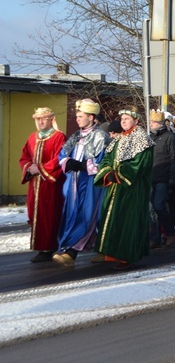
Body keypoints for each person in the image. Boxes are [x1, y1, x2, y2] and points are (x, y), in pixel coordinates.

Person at [94, 107, 154, 270]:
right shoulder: (118, 138)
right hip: (115, 187)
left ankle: (127, 255)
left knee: (129, 220)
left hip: (132, 189)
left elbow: (139, 164)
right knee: (114, 219)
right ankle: (111, 252)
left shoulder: (142, 139)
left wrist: (119, 173)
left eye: (127, 118)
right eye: (122, 119)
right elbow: (106, 158)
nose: (124, 121)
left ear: (136, 120)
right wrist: (107, 172)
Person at [54, 99, 110, 266]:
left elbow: (105, 163)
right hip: (73, 183)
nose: (77, 119)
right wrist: (67, 162)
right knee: (73, 214)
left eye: (80, 116)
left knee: (88, 215)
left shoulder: (101, 136)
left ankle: (72, 253)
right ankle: (90, 248)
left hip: (91, 184)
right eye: (77, 116)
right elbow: (62, 155)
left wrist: (84, 166)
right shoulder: (76, 135)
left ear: (91, 117)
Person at [19, 107, 67, 263]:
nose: (40, 122)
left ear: (51, 119)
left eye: (44, 119)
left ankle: (50, 247)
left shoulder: (58, 137)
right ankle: (41, 246)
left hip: (50, 184)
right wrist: (29, 168)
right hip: (34, 184)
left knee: (49, 214)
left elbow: (59, 159)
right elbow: (24, 157)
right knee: (35, 214)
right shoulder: (33, 137)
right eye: (38, 119)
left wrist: (40, 168)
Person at [148, 110, 175, 248]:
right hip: (151, 177)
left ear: (159, 124)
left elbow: (174, 158)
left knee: (159, 206)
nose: (150, 125)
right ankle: (155, 238)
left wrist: (172, 177)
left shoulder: (170, 137)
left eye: (153, 123)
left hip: (163, 177)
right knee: (151, 210)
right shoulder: (150, 138)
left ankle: (170, 231)